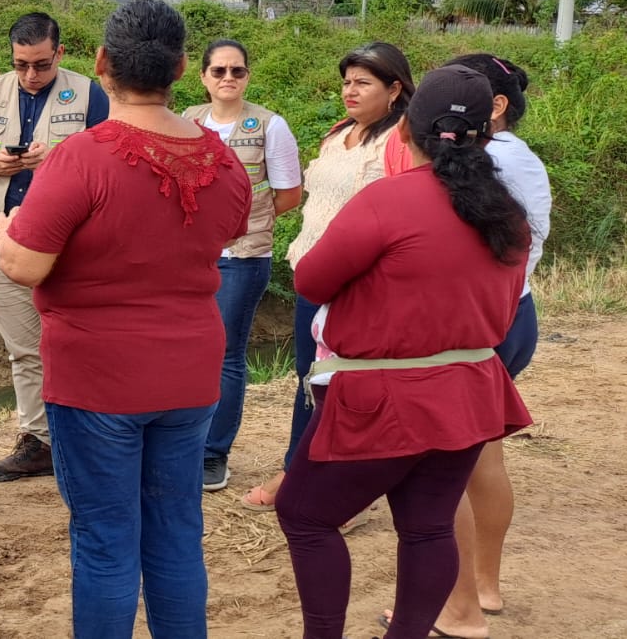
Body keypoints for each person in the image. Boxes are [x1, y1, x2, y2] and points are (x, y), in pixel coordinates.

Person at [0, 0, 251, 638]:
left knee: (106, 539)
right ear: (183, 68)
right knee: (176, 532)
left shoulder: (83, 156)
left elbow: (26, 265)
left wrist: (4, 233)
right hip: (189, 375)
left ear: (102, 62)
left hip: (97, 379)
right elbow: (228, 229)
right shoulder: (222, 160)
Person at [276, 65, 533, 639]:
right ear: (485, 136)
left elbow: (311, 279)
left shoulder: (387, 200)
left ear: (404, 129)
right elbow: (507, 302)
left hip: (383, 397)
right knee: (427, 524)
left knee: (304, 514)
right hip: (469, 391)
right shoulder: (506, 213)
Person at [242, 41, 414, 512]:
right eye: (346, 82)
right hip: (314, 275)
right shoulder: (339, 134)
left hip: (361, 287)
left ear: (394, 89)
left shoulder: (400, 142)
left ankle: (332, 490)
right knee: (310, 380)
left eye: (363, 83)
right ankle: (300, 471)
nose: (349, 91)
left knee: (347, 386)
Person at [0, 12, 109, 482]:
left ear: (60, 53)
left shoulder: (90, 95)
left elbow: (109, 162)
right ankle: (38, 442)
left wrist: (55, 160)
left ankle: (89, 439)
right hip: (2, 240)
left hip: (71, 245)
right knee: (24, 350)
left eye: (41, 64)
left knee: (80, 345)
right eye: (21, 64)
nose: (30, 75)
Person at [427, 54, 552, 639]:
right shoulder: (514, 155)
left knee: (446, 465)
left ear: (495, 106)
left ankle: (459, 606)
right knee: (481, 457)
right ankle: (483, 587)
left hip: (485, 323)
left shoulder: (492, 159)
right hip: (512, 313)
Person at [181, 40, 304, 493]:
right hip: (192, 255)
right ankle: (185, 445)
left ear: (248, 76)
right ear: (203, 76)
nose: (228, 78)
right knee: (189, 352)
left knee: (226, 354)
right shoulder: (188, 120)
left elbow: (289, 194)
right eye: (219, 70)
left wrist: (246, 224)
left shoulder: (270, 125)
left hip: (244, 257)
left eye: (237, 70)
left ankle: (213, 454)